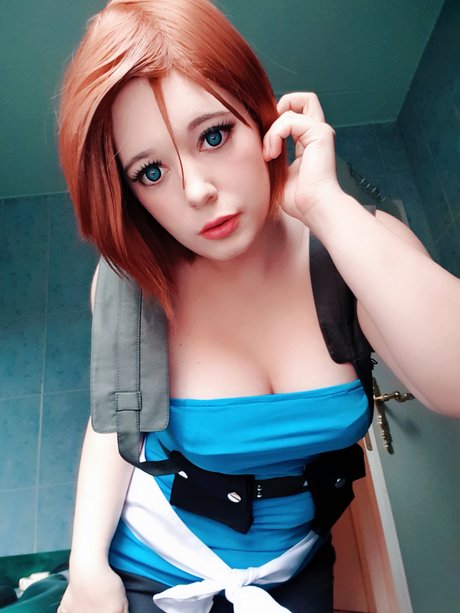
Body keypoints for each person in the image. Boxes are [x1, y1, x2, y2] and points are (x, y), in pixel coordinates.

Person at [57, 0, 460, 611]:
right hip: (151, 563)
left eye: (214, 135)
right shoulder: (131, 284)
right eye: (151, 172)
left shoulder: (354, 245)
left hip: (294, 566)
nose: (197, 190)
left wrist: (325, 205)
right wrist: (87, 567)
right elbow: (114, 417)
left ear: (263, 114)